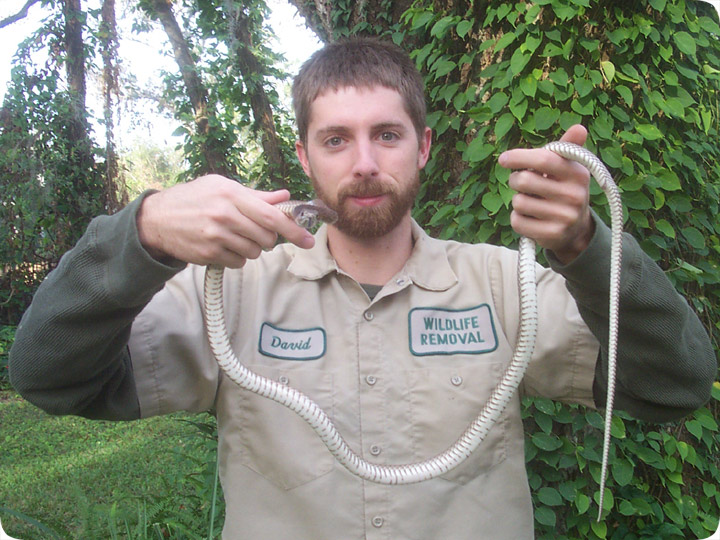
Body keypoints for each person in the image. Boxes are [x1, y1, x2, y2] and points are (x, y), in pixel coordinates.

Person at [9, 38, 715, 539]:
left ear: (425, 147)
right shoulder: (228, 294)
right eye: (338, 140)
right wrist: (144, 232)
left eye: (388, 134)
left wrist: (586, 248)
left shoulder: (506, 288)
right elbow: (49, 377)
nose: (367, 163)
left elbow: (674, 383)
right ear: (306, 154)